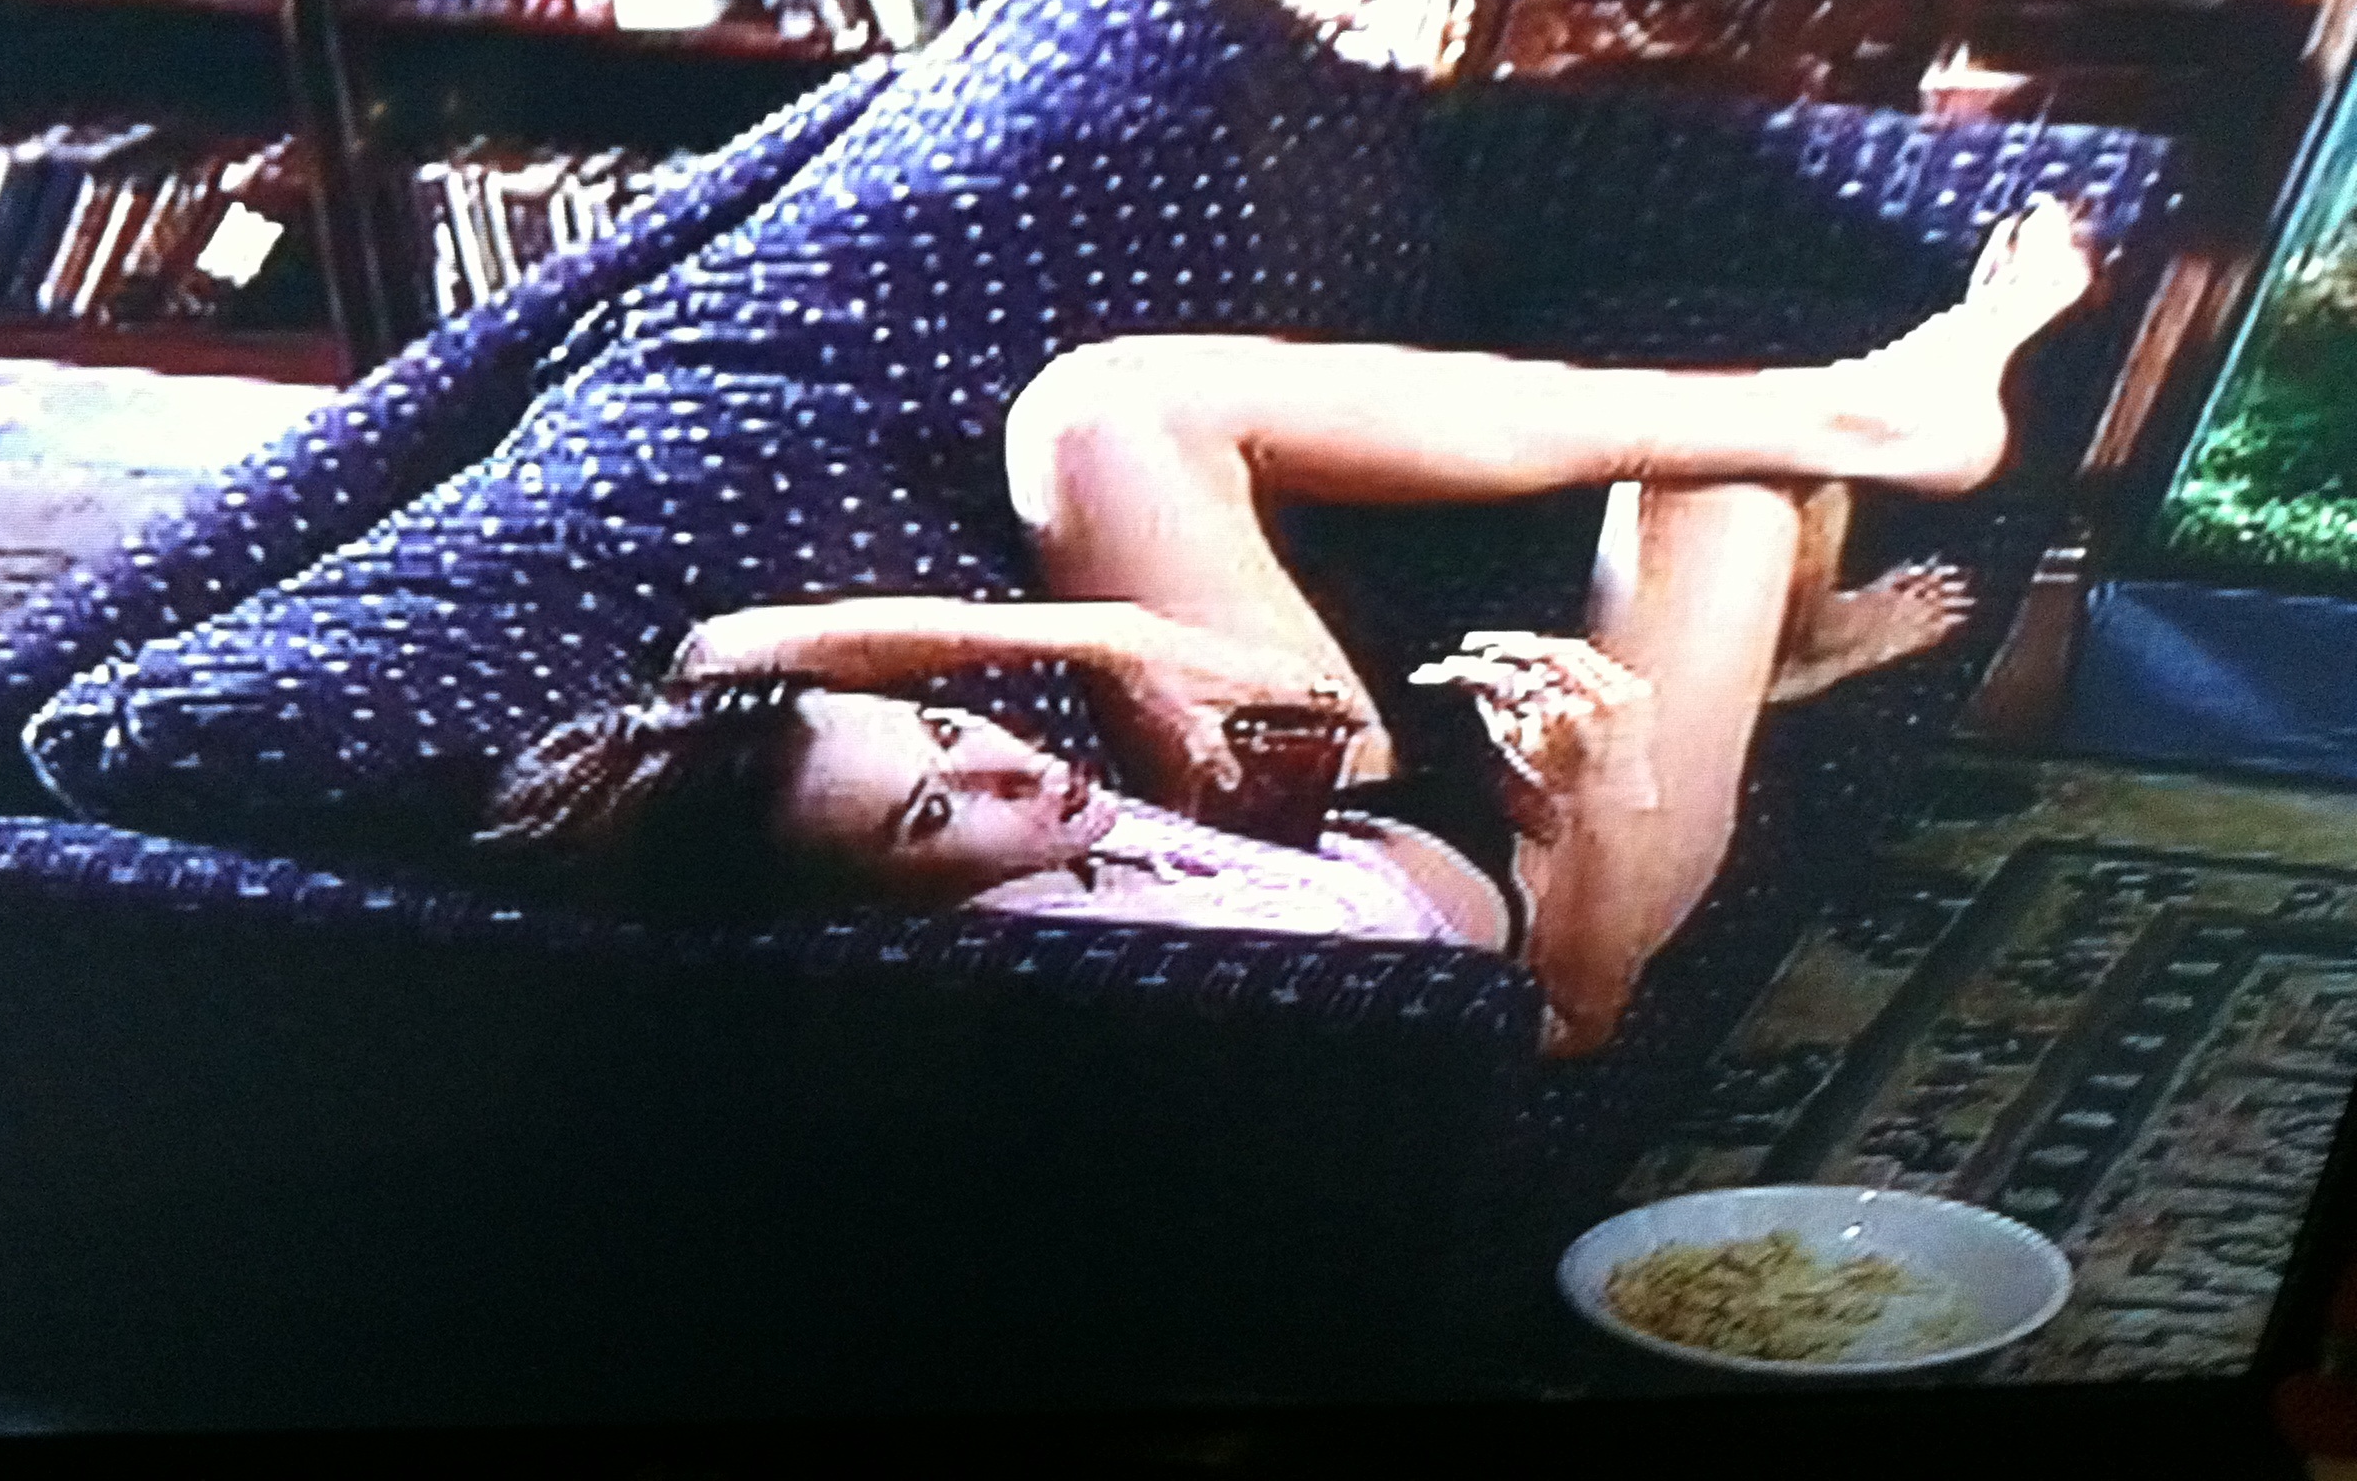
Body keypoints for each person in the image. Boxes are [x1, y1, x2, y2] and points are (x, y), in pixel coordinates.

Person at [481, 195, 2095, 1055]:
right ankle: (1800, 596)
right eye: (934, 813)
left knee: (1098, 414)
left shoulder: (849, 819)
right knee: (1717, 486)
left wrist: (1116, 641)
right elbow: (1570, 1022)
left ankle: (1871, 418)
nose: (1009, 765)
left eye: (951, 732)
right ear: (870, 916)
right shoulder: (1126, 977)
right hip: (1543, 889)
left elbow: (728, 658)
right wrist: (1600, 790)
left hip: (1316, 804)